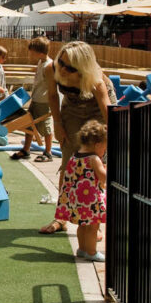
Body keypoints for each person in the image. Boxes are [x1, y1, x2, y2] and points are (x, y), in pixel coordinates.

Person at [40, 41, 116, 234]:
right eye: (62, 63)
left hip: (97, 108)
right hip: (72, 107)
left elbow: (107, 110)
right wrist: (57, 124)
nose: (63, 69)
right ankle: (61, 217)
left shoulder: (96, 80)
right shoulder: (52, 68)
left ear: (82, 68)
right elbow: (52, 96)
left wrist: (111, 139)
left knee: (95, 162)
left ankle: (94, 222)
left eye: (71, 68)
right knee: (68, 161)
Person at [54, 119, 107, 262]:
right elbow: (103, 177)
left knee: (82, 225)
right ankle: (91, 251)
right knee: (93, 227)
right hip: (91, 200)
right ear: (97, 145)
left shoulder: (75, 155)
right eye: (104, 148)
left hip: (78, 200)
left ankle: (82, 249)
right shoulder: (94, 158)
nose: (104, 151)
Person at [10, 37, 54, 162]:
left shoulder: (49, 66)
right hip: (36, 98)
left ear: (40, 52)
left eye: (32, 51)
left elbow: (52, 86)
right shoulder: (41, 62)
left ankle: (48, 152)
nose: (30, 54)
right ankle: (26, 149)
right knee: (28, 123)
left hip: (44, 101)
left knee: (46, 126)